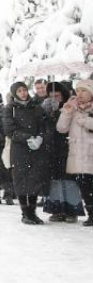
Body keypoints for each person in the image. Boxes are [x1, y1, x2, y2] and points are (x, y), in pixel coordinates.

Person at [3, 82, 49, 225]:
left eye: (24, 90)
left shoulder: (36, 106)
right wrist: (27, 138)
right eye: (19, 91)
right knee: (21, 181)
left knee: (34, 180)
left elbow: (43, 125)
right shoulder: (10, 108)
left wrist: (40, 137)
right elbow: (9, 130)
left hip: (36, 148)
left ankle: (33, 213)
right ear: (14, 93)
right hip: (19, 149)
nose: (23, 93)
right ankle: (25, 213)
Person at [42, 82, 85, 223]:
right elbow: (43, 127)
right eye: (51, 96)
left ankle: (72, 210)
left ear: (63, 94)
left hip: (67, 147)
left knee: (69, 180)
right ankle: (56, 209)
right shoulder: (45, 107)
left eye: (57, 95)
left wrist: (61, 112)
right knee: (54, 180)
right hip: (51, 148)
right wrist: (49, 113)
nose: (55, 98)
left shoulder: (72, 105)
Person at [56, 79, 93, 226]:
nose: (80, 94)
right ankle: (92, 214)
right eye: (78, 91)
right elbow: (61, 128)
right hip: (78, 156)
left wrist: (85, 121)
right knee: (85, 188)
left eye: (84, 90)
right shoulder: (73, 108)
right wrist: (66, 112)